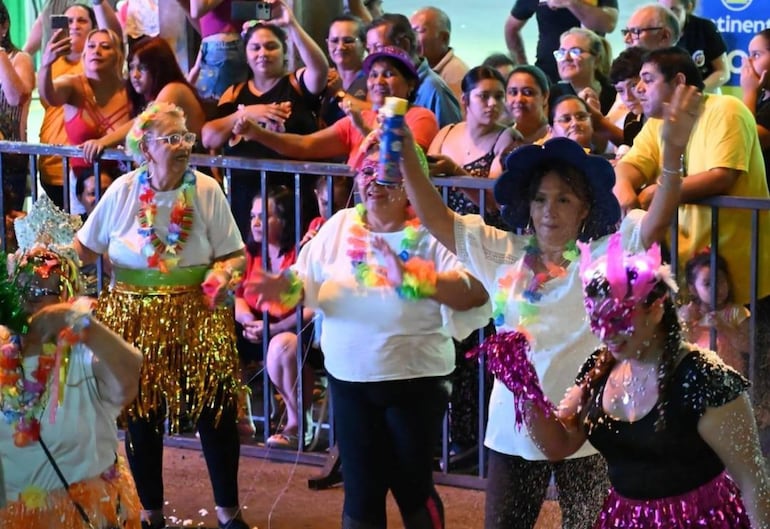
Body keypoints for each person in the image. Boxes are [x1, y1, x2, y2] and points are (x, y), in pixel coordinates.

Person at [399, 71, 702, 528]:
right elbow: (434, 215)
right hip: (513, 427)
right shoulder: (501, 251)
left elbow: (657, 217)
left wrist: (673, 151)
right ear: (527, 205)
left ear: (585, 208)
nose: (549, 210)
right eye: (540, 199)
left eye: (563, 200)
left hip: (590, 424)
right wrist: (405, 155)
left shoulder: (605, 253)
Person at [243, 154, 491, 529]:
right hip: (350, 380)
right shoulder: (341, 224)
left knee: (412, 491)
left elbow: (475, 292)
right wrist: (280, 287)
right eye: (367, 171)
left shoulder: (435, 228)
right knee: (360, 497)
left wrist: (415, 278)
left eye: (388, 171)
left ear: (411, 180)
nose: (374, 180)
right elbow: (303, 276)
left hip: (415, 378)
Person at [74, 102, 251, 529]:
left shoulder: (206, 189)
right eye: (170, 139)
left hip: (197, 313)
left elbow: (235, 255)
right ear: (144, 147)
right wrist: (45, 263)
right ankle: (151, 514)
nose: (182, 146)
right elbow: (83, 249)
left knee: (217, 410)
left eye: (185, 137)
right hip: (133, 315)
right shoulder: (123, 191)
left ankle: (229, 514)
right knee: (141, 416)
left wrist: (223, 276)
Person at [521, 239, 770, 529]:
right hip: (623, 521)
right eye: (597, 319)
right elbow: (558, 446)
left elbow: (754, 483)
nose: (607, 333)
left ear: (656, 308)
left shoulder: (707, 379)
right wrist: (523, 386)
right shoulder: (599, 369)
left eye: (618, 318)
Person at [0, 194, 143, 529]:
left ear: (67, 294)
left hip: (85, 513)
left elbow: (130, 375)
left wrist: (81, 325)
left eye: (46, 290)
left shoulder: (86, 348)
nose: (33, 302)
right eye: (24, 289)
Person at [613, 47, 770, 309]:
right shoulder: (657, 123)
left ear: (679, 82)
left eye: (648, 79)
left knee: (740, 348)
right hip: (687, 275)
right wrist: (624, 188)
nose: (639, 88)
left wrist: (656, 193)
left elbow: (721, 177)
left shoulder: (726, 108)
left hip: (739, 273)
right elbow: (630, 165)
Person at [201, 0, 328, 239]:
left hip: (292, 200)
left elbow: (319, 69)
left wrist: (291, 25)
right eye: (255, 48)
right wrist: (246, 113)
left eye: (271, 47)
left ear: (284, 51)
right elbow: (208, 136)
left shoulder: (296, 83)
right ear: (246, 54)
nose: (263, 53)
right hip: (245, 203)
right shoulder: (235, 93)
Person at [227, 45, 439, 171]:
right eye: (373, 75)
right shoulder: (362, 116)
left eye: (389, 74)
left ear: (410, 84)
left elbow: (401, 165)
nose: (378, 81)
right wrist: (258, 133)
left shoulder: (419, 118)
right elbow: (305, 145)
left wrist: (363, 129)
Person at [234, 186, 317, 449]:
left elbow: (314, 307)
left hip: (296, 331)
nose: (255, 222)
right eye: (252, 216)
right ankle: (237, 419)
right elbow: (235, 295)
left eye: (264, 216)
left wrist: (274, 327)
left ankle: (296, 424)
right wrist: (247, 319)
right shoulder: (250, 253)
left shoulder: (301, 253)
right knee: (218, 336)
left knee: (281, 344)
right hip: (256, 328)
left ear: (283, 219)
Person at [79, 35, 207, 162]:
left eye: (142, 68)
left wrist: (103, 142)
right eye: (131, 67)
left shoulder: (174, 89)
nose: (135, 75)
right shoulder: (145, 96)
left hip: (193, 172)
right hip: (169, 173)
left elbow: (146, 120)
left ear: (160, 68)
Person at [38, 27, 131, 188]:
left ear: (118, 55)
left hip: (124, 185)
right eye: (91, 46)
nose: (97, 51)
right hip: (82, 190)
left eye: (105, 46)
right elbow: (49, 96)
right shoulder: (73, 84)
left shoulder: (131, 90)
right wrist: (46, 65)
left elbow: (148, 118)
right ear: (84, 54)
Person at [427, 66, 520, 223]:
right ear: (464, 100)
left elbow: (492, 205)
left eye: (498, 96)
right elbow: (425, 185)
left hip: (486, 234)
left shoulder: (507, 138)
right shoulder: (446, 133)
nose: (492, 103)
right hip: (444, 230)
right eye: (484, 96)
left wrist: (455, 171)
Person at [36, 4, 98, 209]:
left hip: (83, 166)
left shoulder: (97, 61)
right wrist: (45, 62)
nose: (74, 26)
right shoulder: (50, 61)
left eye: (82, 20)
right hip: (50, 165)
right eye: (69, 21)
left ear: (93, 26)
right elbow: (48, 98)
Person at [366, 13, 461, 128]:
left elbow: (451, 137)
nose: (372, 55)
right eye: (369, 49)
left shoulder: (434, 89)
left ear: (404, 45)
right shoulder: (380, 85)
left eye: (378, 47)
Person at [504, 0, 618, 84]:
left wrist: (572, 3)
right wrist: (524, 68)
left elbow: (609, 24)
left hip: (592, 72)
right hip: (548, 73)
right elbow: (511, 28)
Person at [679, 250, 750, 375]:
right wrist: (686, 322)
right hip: (699, 377)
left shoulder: (735, 312)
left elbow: (748, 345)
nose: (716, 288)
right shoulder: (690, 314)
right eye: (708, 283)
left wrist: (723, 327)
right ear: (693, 289)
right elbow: (682, 343)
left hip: (730, 379)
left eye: (720, 281)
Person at [0, 1, 34, 214]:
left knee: (8, 227)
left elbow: (16, 98)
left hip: (9, 161)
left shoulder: (19, 59)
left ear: (3, 27)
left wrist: (0, 55)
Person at [658, 0, 729, 93]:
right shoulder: (653, 31)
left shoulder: (705, 28)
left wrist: (696, 90)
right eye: (663, 10)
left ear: (688, 7)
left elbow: (723, 72)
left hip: (705, 92)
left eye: (674, 10)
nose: (668, 17)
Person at [409, 7, 469, 101]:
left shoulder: (456, 76)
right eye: (411, 32)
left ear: (444, 38)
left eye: (419, 31)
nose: (412, 39)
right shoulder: (422, 69)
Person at [322, 14, 368, 127]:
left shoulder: (373, 77)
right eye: (334, 40)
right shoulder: (323, 78)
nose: (340, 47)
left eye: (348, 40)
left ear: (364, 44)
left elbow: (377, 111)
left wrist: (339, 93)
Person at [740, 28, 770, 187]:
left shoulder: (753, 95)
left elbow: (747, 141)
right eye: (749, 54)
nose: (748, 62)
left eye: (756, 54)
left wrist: (749, 92)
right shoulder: (761, 98)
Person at [505, 64, 550, 144]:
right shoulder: (501, 139)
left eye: (528, 92)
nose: (519, 99)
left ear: (545, 96)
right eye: (513, 92)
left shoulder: (556, 136)